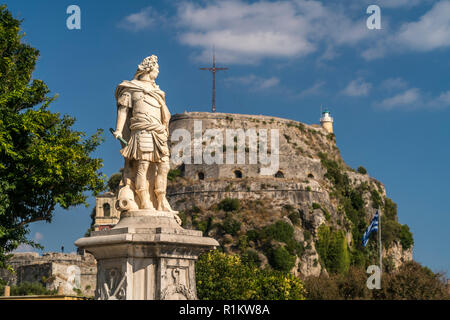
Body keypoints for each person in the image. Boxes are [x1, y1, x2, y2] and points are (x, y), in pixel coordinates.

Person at [113, 55, 175, 213]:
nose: (157, 72)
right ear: (149, 69)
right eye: (157, 69)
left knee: (164, 166)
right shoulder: (130, 88)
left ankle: (161, 199)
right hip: (142, 131)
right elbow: (123, 110)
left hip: (159, 132)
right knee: (143, 166)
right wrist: (119, 129)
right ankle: (144, 199)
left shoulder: (158, 91)